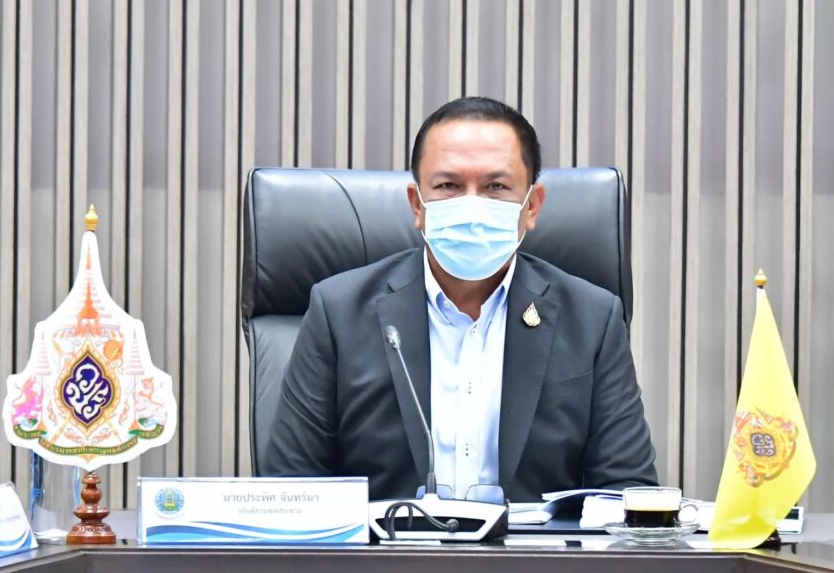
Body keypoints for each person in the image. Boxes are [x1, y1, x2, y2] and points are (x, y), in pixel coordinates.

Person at [263, 96, 658, 502]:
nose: (472, 205)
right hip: (388, 544)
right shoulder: (338, 313)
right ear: (417, 205)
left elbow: (628, 495)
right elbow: (291, 492)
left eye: (495, 187)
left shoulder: (592, 320)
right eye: (448, 186)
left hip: (531, 545)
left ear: (532, 206)